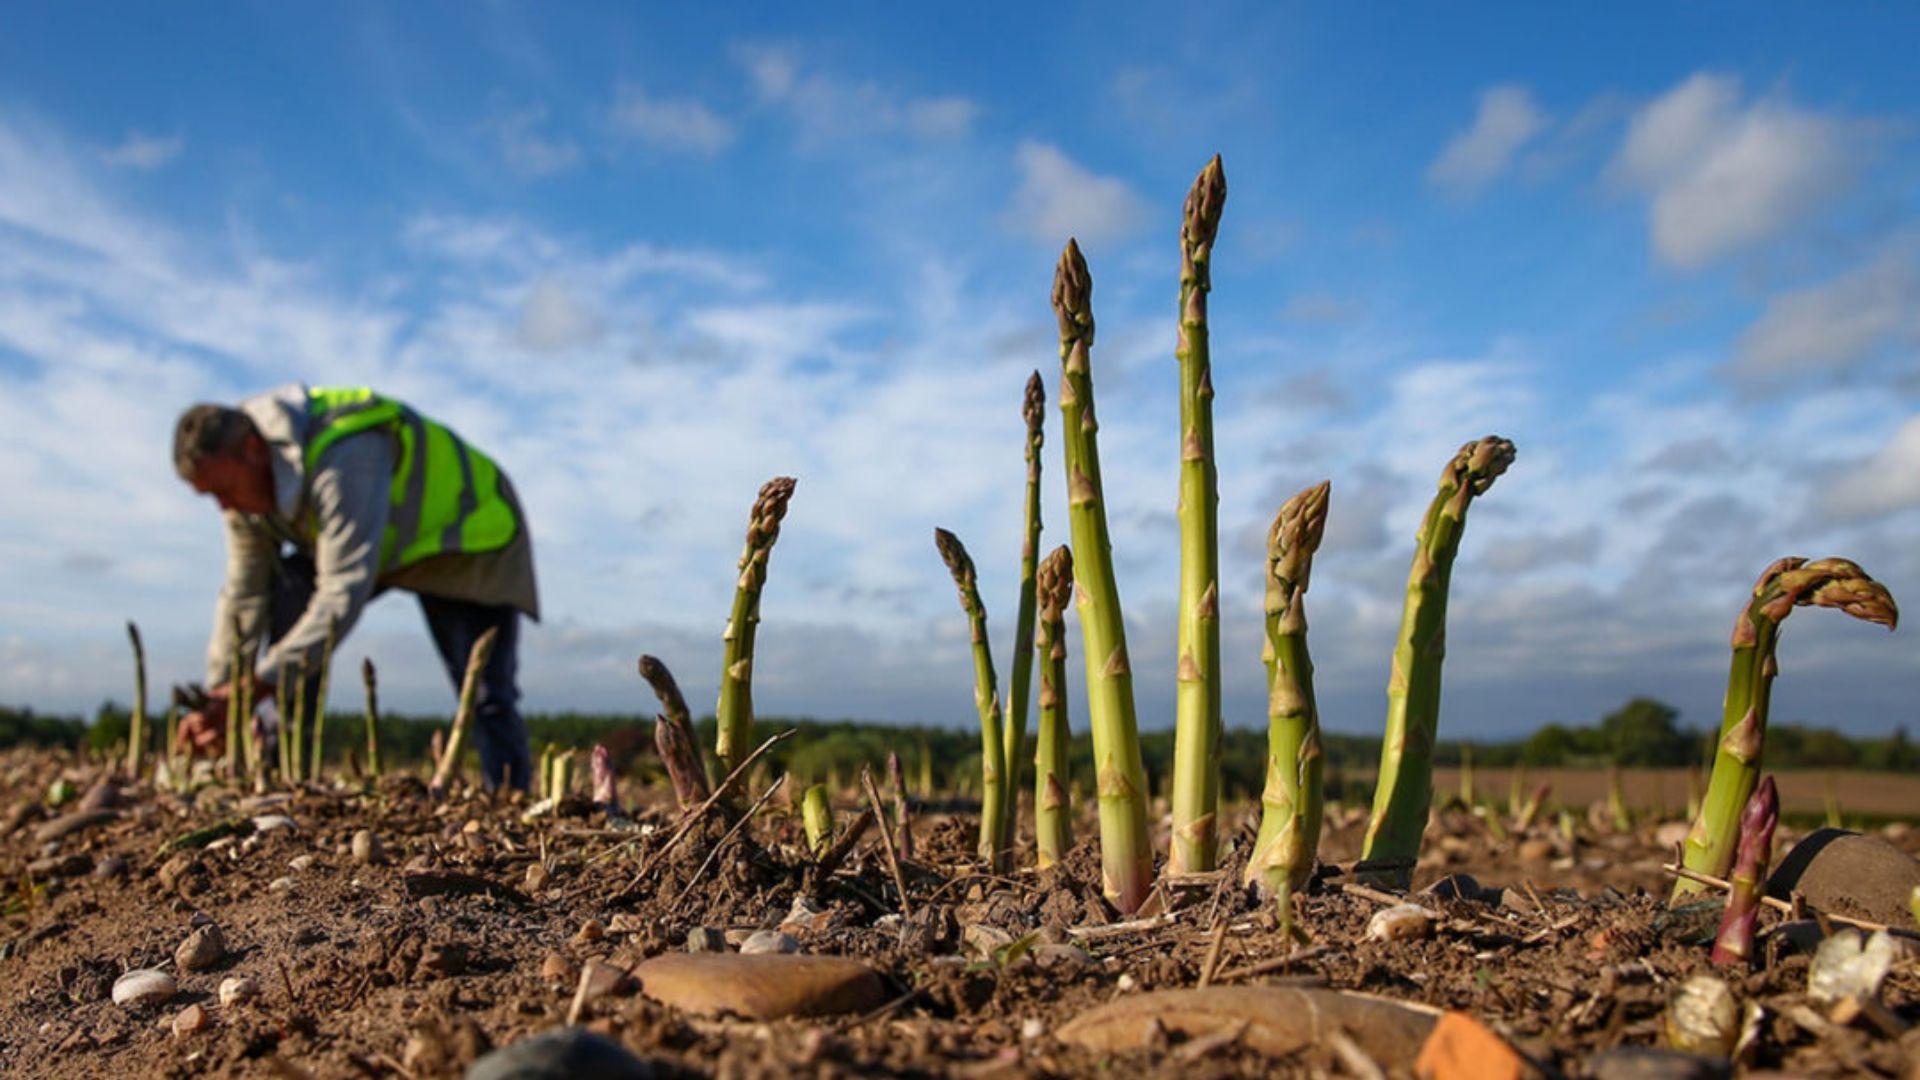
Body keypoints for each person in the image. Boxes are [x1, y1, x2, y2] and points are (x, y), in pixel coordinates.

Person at [173, 383, 539, 791]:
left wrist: (261, 682)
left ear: (254, 450)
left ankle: (510, 795)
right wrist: (221, 696)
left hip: (467, 537)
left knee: (486, 692)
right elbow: (244, 594)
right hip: (385, 544)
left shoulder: (346, 455)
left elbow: (342, 590)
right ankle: (288, 769)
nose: (224, 506)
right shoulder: (244, 491)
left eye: (224, 490)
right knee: (292, 588)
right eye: (212, 497)